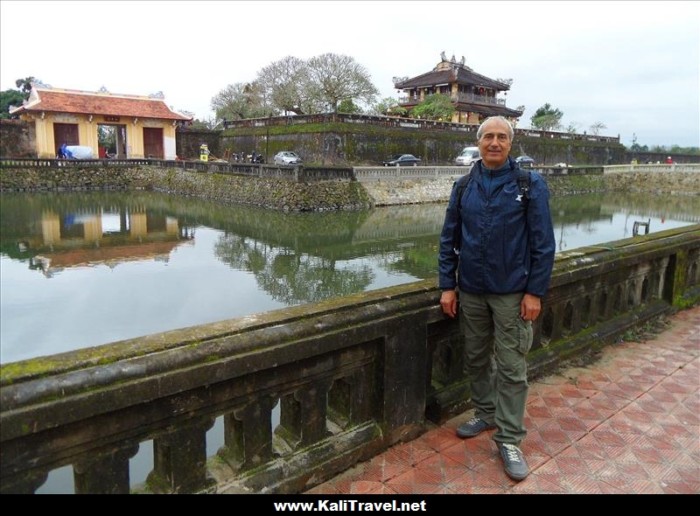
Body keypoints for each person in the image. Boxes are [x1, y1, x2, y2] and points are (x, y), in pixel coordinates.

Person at [437, 116, 556, 482]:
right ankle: (485, 412)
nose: (494, 142)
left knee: (510, 366)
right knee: (475, 356)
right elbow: (448, 240)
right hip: (471, 289)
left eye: (501, 137)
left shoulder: (529, 184)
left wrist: (534, 291)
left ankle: (509, 438)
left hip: (511, 292)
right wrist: (447, 285)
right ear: (479, 141)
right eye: (488, 136)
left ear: (510, 144)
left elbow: (543, 244)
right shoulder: (463, 186)